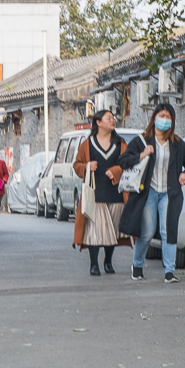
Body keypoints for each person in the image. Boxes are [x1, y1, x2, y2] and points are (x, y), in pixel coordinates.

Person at [119, 102, 185, 283]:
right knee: (147, 232)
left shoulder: (177, 143)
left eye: (168, 117)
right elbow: (123, 161)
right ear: (154, 118)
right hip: (149, 192)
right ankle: (137, 265)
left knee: (168, 230)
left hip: (170, 193)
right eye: (161, 116)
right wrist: (142, 154)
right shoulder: (142, 141)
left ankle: (169, 271)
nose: (164, 120)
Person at [72, 110, 131, 275]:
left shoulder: (120, 143)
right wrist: (87, 166)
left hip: (117, 194)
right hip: (95, 194)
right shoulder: (87, 144)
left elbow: (129, 164)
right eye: (109, 118)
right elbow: (76, 166)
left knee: (111, 231)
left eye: (113, 118)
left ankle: (108, 261)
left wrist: (118, 170)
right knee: (95, 232)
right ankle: (93, 264)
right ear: (98, 122)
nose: (113, 121)